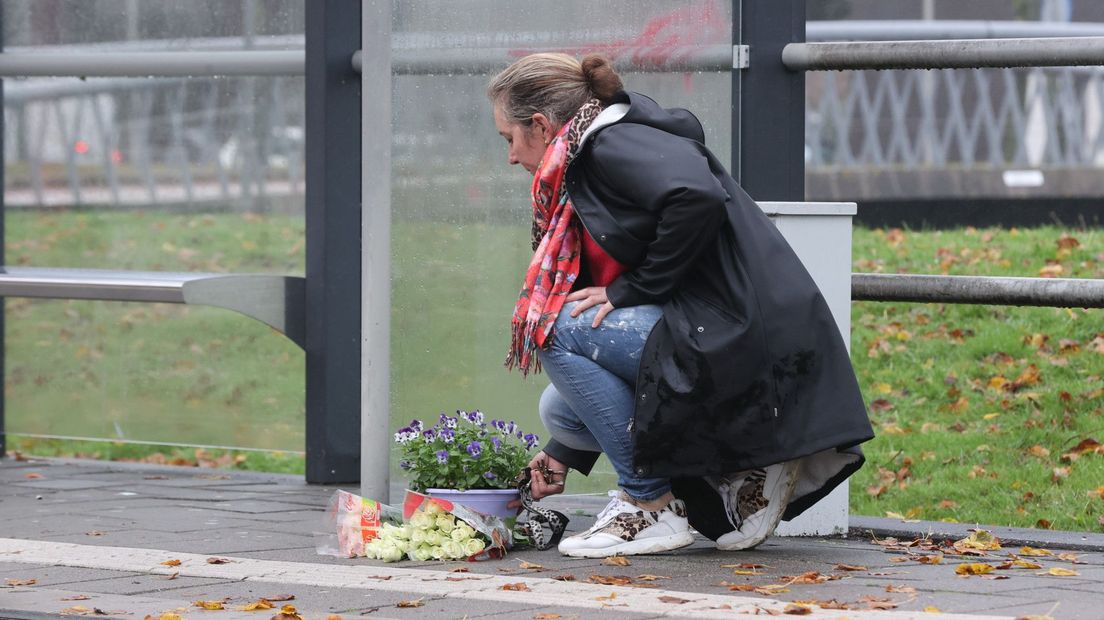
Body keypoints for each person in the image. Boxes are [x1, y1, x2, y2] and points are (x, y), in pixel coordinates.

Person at [489, 53, 874, 558]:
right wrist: (561, 454)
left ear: (540, 125)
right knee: (561, 411)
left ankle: (648, 506)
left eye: (509, 139)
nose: (511, 157)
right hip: (719, 331)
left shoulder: (609, 146)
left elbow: (697, 197)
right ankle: (736, 474)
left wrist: (636, 288)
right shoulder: (602, 148)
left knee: (553, 327)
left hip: (731, 336)